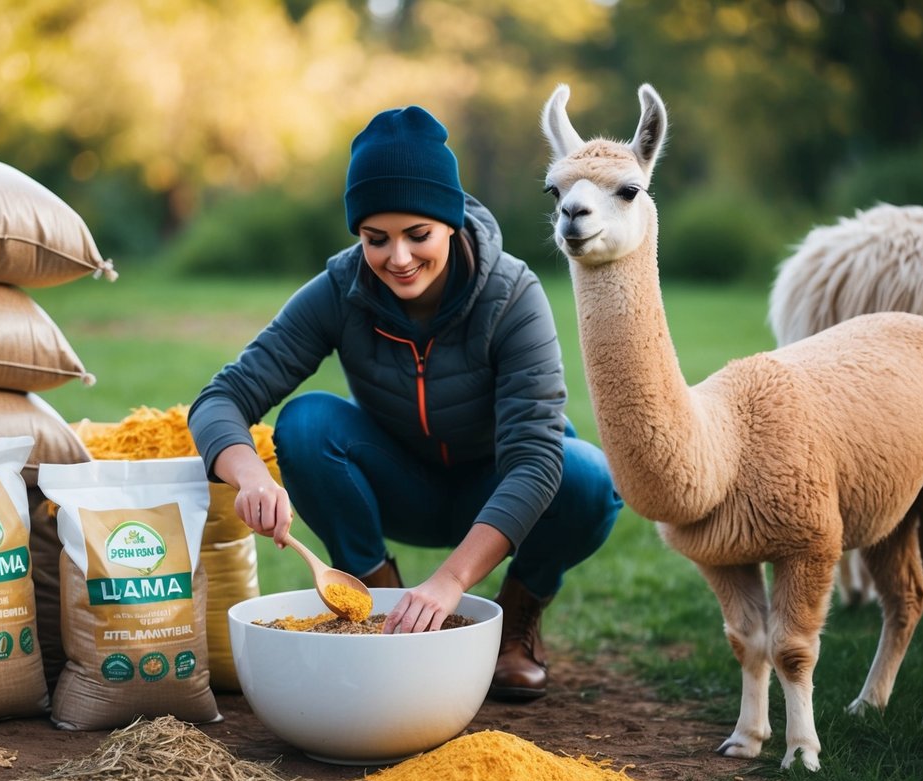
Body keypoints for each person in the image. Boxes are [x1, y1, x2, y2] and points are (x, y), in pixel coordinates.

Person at [188, 104, 622, 699]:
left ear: (449, 222)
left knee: (587, 477)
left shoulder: (513, 295)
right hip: (398, 485)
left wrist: (450, 582)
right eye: (376, 238)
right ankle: (378, 612)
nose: (398, 258)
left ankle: (515, 624)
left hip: (493, 490)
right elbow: (222, 398)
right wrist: (248, 478)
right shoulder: (340, 289)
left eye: (417, 235)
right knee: (308, 424)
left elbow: (535, 461)